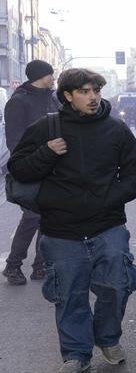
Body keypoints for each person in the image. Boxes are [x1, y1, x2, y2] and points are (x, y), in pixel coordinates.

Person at [8, 69, 136, 373]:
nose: (92, 96)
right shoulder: (46, 127)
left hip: (107, 225)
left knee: (116, 286)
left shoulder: (116, 129)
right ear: (68, 95)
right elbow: (19, 169)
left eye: (96, 90)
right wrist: (46, 153)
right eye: (84, 91)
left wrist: (110, 198)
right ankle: (76, 355)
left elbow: (135, 173)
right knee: (70, 295)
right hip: (61, 230)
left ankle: (108, 339)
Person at [3, 60, 61, 286]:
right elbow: (14, 140)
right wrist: (29, 163)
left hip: (53, 167)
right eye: (50, 74)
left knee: (48, 216)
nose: (53, 77)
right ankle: (13, 266)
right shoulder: (18, 101)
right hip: (29, 168)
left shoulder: (53, 99)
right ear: (41, 76)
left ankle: (40, 266)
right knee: (32, 217)